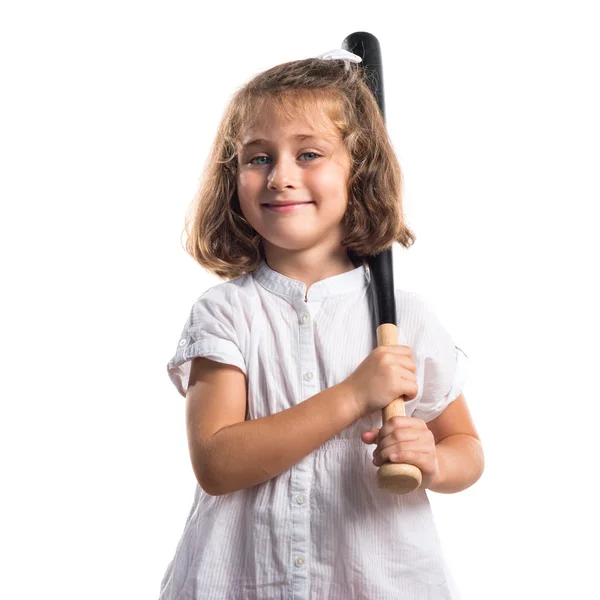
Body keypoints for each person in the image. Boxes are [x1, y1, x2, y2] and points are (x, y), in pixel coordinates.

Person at [159, 49, 485, 600]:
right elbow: (216, 463)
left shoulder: (405, 316)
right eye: (257, 158)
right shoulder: (224, 313)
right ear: (232, 177)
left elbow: (466, 448)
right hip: (243, 581)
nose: (281, 176)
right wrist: (354, 395)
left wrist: (433, 461)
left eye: (308, 153)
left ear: (359, 172)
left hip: (378, 580)